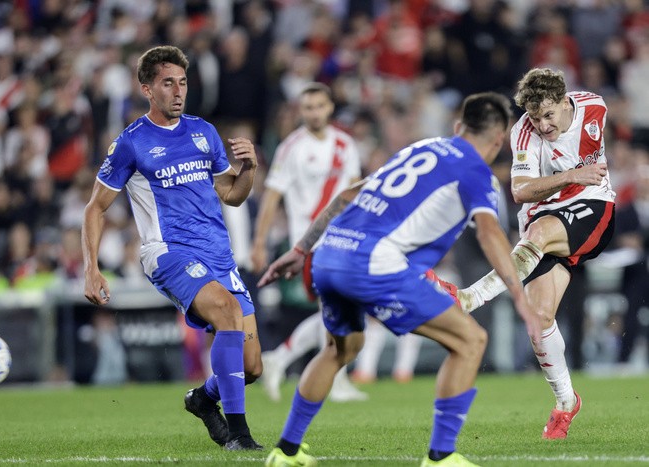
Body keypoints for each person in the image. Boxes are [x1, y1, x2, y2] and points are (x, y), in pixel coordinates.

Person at [259, 92, 542, 467]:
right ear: (499, 140)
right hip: (373, 263)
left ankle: (286, 452)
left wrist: (300, 250)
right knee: (471, 340)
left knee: (340, 349)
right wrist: (520, 297)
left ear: (459, 127)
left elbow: (347, 194)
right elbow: (490, 234)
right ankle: (441, 456)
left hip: (329, 254)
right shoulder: (477, 173)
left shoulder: (420, 148)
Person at [82, 45, 263, 451]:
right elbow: (95, 207)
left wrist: (248, 170)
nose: (178, 91)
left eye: (182, 82)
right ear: (147, 88)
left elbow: (231, 195)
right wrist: (91, 267)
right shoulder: (131, 143)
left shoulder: (203, 132)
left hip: (218, 252)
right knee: (226, 311)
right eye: (168, 83)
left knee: (251, 368)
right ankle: (240, 436)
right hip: (168, 252)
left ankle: (202, 400)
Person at [429, 68, 616, 439]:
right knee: (539, 318)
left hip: (594, 207)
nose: (544, 125)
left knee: (542, 231)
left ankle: (469, 297)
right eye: (535, 117)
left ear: (566, 102)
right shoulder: (523, 134)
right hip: (543, 218)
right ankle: (566, 403)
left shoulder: (595, 106)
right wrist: (568, 176)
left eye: (549, 115)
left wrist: (576, 180)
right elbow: (520, 190)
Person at [251, 82, 366, 402]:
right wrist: (259, 241)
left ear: (330, 108)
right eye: (307, 107)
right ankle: (335, 378)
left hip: (346, 239)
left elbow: (354, 191)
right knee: (338, 309)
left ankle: (281, 358)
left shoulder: (346, 144)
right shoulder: (292, 148)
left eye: (319, 106)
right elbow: (272, 194)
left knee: (343, 310)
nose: (313, 113)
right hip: (312, 243)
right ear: (300, 111)